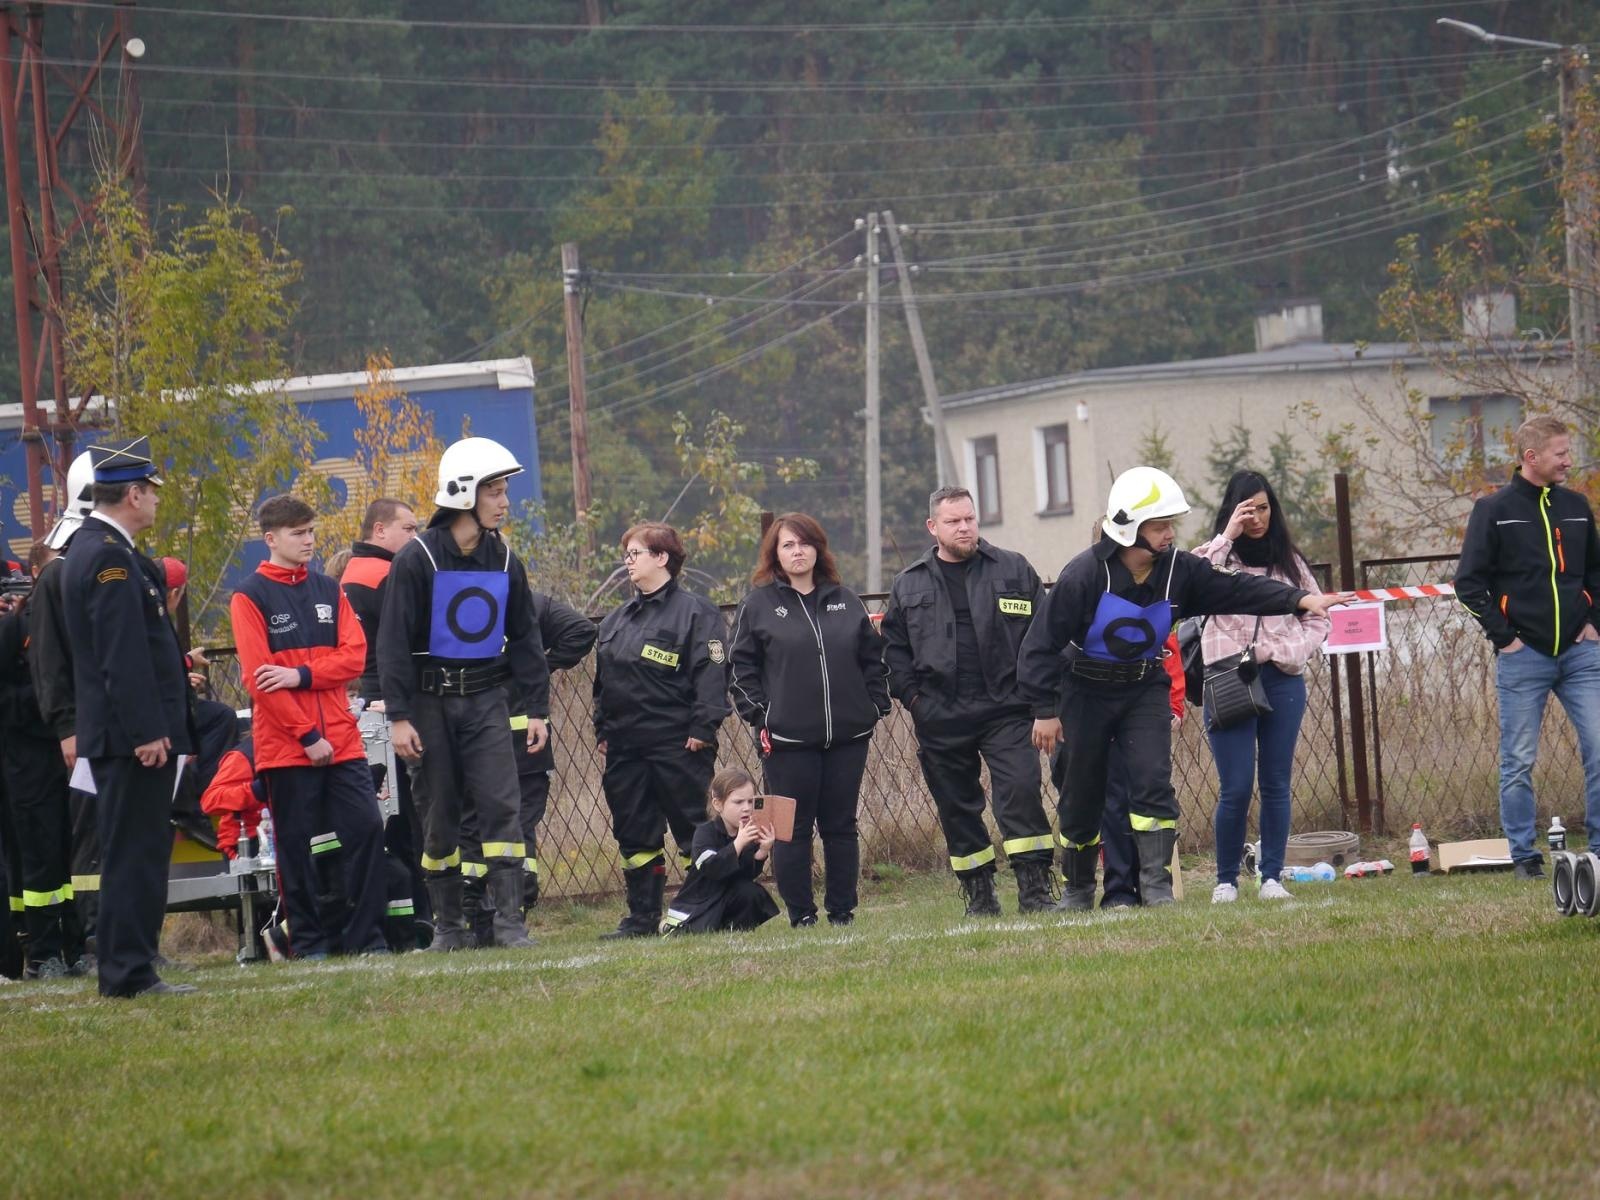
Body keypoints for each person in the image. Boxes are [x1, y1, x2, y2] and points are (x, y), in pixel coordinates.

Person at [1018, 466, 1347, 907]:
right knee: (1080, 791)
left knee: (1153, 782)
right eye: (1159, 526)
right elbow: (1039, 645)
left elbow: (1239, 589)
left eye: (1171, 524)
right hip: (1084, 693)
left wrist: (1299, 599)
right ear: (1129, 528)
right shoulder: (1084, 575)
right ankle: (1078, 889)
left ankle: (1156, 888)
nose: (1170, 533)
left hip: (1143, 689)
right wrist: (1045, 709)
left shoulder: (1179, 570)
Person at [377, 437, 551, 951]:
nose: (503, 501)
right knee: (439, 815)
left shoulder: (505, 559)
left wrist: (537, 709)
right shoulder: (415, 559)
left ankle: (509, 924)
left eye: (503, 490)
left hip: (487, 704)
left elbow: (526, 639)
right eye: (494, 491)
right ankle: (449, 928)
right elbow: (391, 644)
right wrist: (401, 718)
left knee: (502, 808)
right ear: (463, 493)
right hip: (428, 707)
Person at [60, 436, 196, 998]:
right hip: (129, 736)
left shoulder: (101, 550)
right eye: (153, 493)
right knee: (133, 855)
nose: (157, 502)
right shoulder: (109, 557)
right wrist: (146, 731)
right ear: (133, 494)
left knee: (136, 850)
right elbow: (122, 656)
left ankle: (132, 967)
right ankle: (128, 971)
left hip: (125, 733)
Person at [881, 487, 1056, 918]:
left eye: (970, 519)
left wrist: (1042, 702)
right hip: (941, 715)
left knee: (1019, 792)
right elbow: (894, 653)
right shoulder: (909, 583)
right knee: (958, 809)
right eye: (954, 521)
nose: (964, 527)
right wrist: (918, 701)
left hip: (1009, 709)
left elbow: (1046, 636)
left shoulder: (1013, 570)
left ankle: (1035, 892)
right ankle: (980, 896)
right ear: (932, 527)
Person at [231, 494, 387, 958]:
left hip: (341, 737)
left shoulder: (328, 588)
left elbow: (354, 657)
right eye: (298, 533)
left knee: (365, 830)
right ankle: (310, 942)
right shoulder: (249, 596)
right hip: (287, 745)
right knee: (296, 849)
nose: (308, 541)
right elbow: (259, 680)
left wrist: (301, 674)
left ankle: (368, 940)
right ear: (271, 539)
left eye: (311, 532)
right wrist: (306, 734)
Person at [1455, 415, 1600, 879]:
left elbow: (1595, 574)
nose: (1568, 461)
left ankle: (1598, 851)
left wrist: (1594, 623)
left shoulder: (1577, 507)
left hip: (1582, 654)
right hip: (1524, 657)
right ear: (1531, 457)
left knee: (1599, 746)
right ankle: (1524, 855)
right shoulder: (1493, 510)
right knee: (1518, 759)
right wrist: (1507, 639)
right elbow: (1468, 584)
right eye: (1561, 453)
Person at [729, 513, 888, 927]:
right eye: (788, 545)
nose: (797, 552)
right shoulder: (758, 604)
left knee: (840, 826)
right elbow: (739, 668)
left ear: (818, 549)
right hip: (786, 741)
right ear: (775, 554)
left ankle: (842, 911)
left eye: (804, 544)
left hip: (849, 736)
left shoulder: (845, 599)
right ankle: (801, 914)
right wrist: (761, 715)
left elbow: (873, 659)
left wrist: (875, 705)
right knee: (790, 830)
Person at [1191, 471, 1331, 902]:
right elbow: (1194, 582)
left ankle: (1271, 876)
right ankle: (1225, 881)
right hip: (1228, 678)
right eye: (1248, 509)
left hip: (1281, 679)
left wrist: (1289, 650)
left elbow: (1318, 615)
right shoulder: (1216, 557)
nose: (1257, 518)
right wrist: (1226, 536)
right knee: (1234, 785)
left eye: (1264, 508)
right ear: (1233, 511)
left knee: (1275, 782)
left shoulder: (1289, 561)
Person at [591, 522, 729, 939]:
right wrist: (603, 728)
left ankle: (699, 913)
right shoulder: (617, 619)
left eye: (635, 554)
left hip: (678, 743)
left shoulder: (695, 612)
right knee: (635, 835)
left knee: (694, 832)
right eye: (627, 554)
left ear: (662, 558)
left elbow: (712, 671)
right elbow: (603, 680)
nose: (627, 562)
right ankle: (640, 918)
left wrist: (703, 726)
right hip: (626, 748)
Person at [338, 498, 427, 925]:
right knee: (415, 815)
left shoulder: (353, 573)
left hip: (369, 702)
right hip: (396, 702)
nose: (415, 537)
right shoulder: (386, 574)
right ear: (379, 530)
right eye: (408, 529)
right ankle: (425, 911)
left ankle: (404, 914)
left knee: (393, 819)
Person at [0, 543, 86, 978]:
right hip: (28, 762)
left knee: (71, 853)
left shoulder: (71, 626)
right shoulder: (15, 628)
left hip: (67, 758)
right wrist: (48, 707)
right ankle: (42, 952)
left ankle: (76, 945)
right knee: (39, 857)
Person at [28, 450, 100, 950]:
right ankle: (96, 936)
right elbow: (49, 664)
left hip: (126, 729)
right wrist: (68, 727)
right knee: (92, 837)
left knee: (122, 836)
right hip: (87, 730)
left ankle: (131, 937)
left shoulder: (127, 567)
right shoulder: (58, 579)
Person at [661, 768, 779, 934]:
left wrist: (762, 852)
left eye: (751, 801)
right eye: (738, 802)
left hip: (726, 897)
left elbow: (744, 875)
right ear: (718, 804)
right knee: (697, 931)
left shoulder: (746, 832)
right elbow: (713, 869)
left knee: (750, 892)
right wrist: (738, 844)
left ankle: (735, 931)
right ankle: (669, 926)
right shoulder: (705, 833)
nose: (746, 808)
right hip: (700, 901)